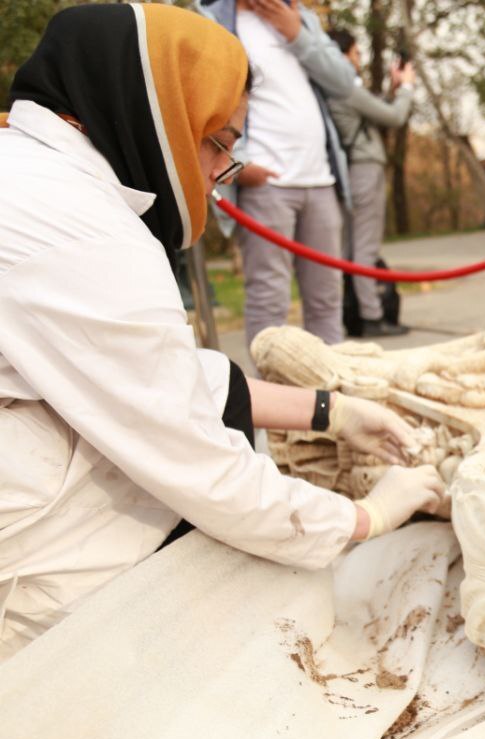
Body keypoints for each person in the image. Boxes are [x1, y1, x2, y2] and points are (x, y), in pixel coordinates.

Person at [0, 4, 445, 662]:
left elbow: (151, 375)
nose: (214, 175)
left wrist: (330, 410)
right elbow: (202, 467)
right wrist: (365, 517)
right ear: (159, 112)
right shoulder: (86, 230)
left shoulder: (31, 172)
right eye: (219, 143)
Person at [199, 0, 354, 347]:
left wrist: (297, 33)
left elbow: (344, 83)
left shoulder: (305, 20)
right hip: (265, 185)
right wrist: (239, 163)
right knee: (269, 302)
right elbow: (203, 97)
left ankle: (334, 391)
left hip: (321, 180)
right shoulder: (213, 19)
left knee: (327, 300)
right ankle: (274, 398)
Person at [327, 29, 413, 338]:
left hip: (352, 169)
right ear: (342, 55)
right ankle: (372, 317)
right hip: (364, 169)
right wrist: (407, 89)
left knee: (353, 245)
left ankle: (359, 313)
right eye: (356, 53)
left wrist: (394, 86)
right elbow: (393, 116)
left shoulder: (334, 87)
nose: (359, 59)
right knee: (364, 246)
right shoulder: (343, 87)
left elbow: (373, 112)